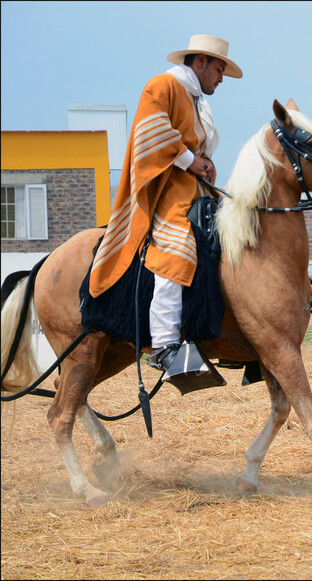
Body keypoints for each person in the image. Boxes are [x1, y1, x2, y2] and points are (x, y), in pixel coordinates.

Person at [87, 35, 243, 372]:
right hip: (163, 191)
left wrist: (204, 163)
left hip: (194, 189)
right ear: (199, 61)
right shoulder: (163, 85)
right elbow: (150, 132)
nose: (220, 78)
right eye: (218, 69)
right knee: (178, 247)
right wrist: (191, 160)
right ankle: (162, 344)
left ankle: (235, 337)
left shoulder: (197, 99)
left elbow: (193, 146)